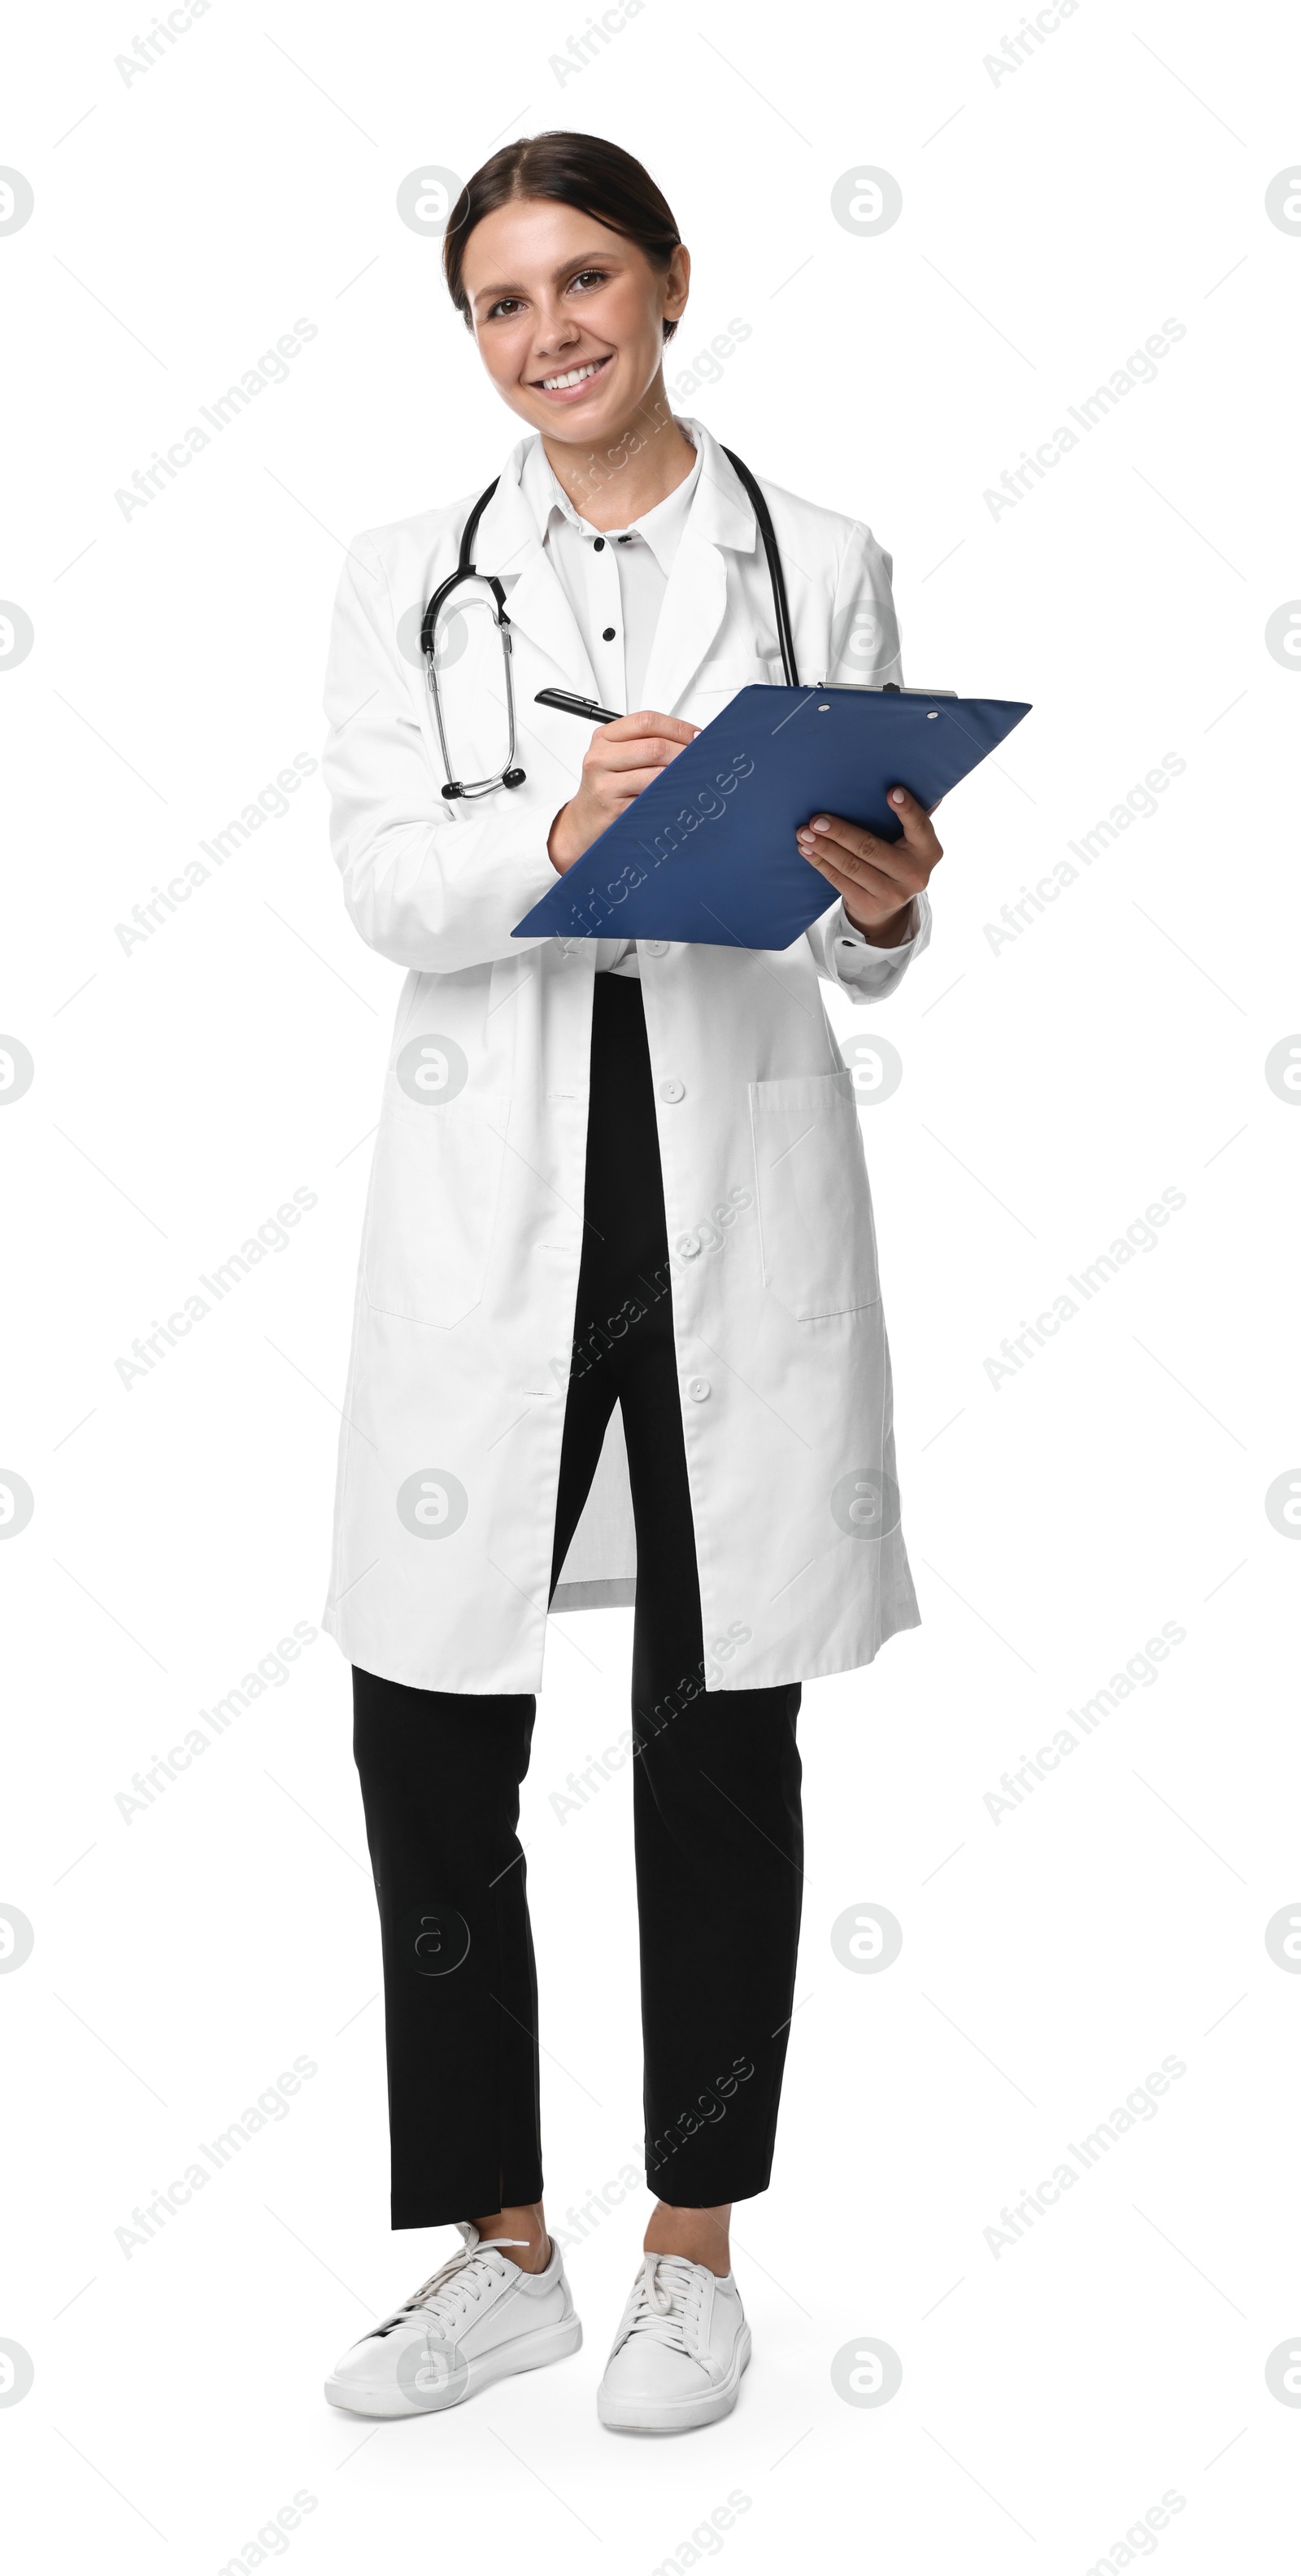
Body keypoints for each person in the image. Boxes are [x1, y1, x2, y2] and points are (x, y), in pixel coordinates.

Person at [319, 130, 942, 2434]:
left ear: (672, 283)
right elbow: (386, 882)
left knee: (719, 1711)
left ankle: (694, 2243)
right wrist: (557, 833)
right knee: (429, 1724)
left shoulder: (825, 562)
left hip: (729, 1193)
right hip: (488, 1213)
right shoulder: (409, 577)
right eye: (501, 302)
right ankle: (494, 2247)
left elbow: (868, 936)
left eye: (586, 279)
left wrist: (883, 897)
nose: (549, 331)